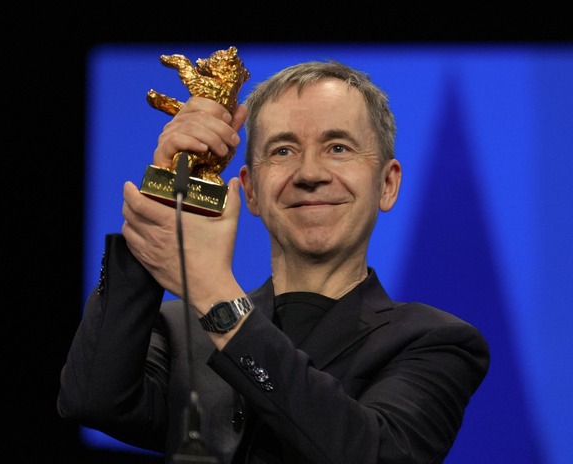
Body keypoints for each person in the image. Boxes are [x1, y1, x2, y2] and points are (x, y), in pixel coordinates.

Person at [57, 59, 490, 463]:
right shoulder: (179, 330)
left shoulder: (436, 342)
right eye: (283, 151)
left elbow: (369, 453)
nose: (309, 173)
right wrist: (167, 190)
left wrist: (214, 293)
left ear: (387, 184)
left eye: (338, 147)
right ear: (250, 191)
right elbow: (91, 399)